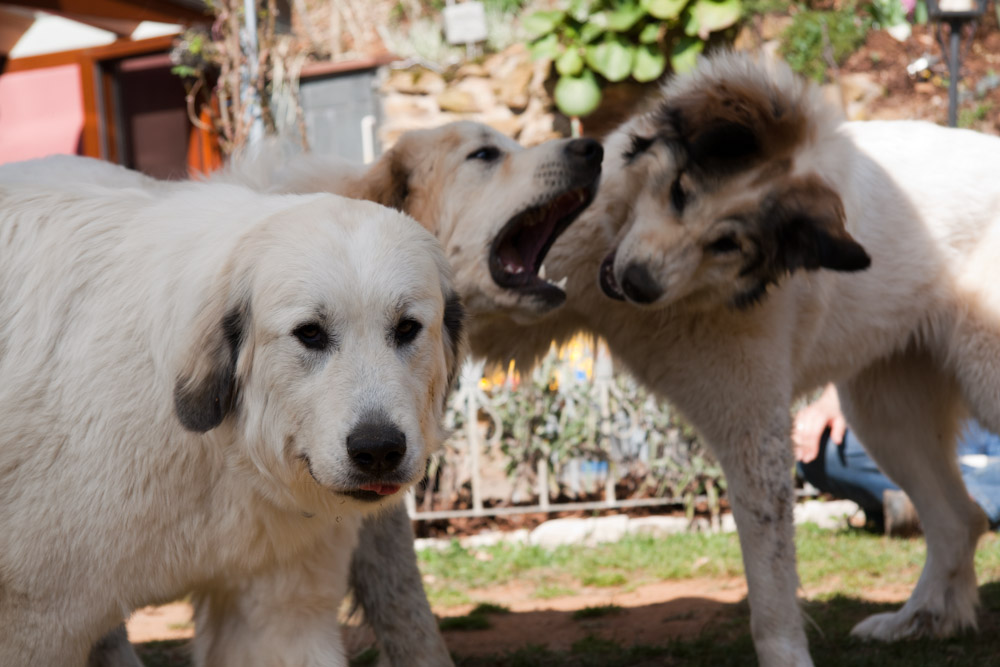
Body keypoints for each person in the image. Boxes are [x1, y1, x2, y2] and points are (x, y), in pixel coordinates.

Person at [793, 384, 1000, 534]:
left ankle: (962, 503)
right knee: (824, 453)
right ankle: (957, 497)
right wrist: (834, 398)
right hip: (931, 427)